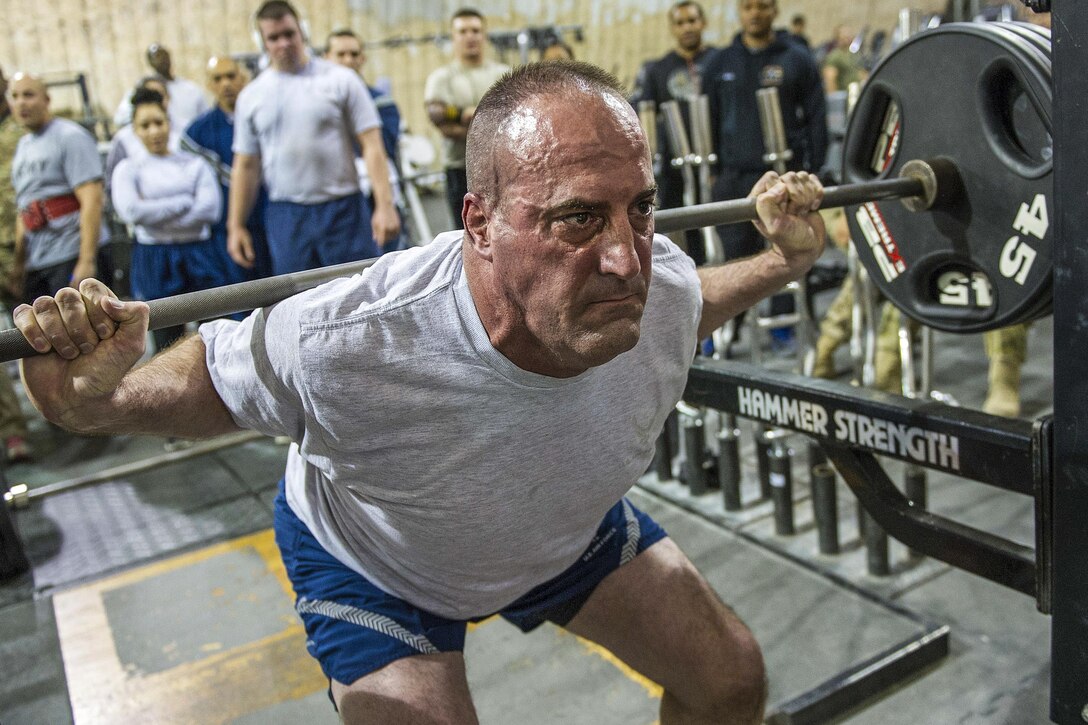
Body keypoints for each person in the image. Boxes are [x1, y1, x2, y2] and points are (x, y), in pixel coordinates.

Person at [15, 61, 826, 724]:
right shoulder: (351, 338)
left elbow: (696, 297)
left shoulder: (660, 289)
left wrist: (781, 264)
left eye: (640, 209)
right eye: (578, 220)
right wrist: (94, 402)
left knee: (729, 683)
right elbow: (212, 381)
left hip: (555, 529)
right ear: (478, 223)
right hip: (378, 566)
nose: (625, 259)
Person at [228, 0, 399, 276]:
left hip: (343, 212)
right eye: (274, 38)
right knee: (295, 305)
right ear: (262, 42)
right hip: (287, 216)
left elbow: (372, 145)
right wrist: (235, 225)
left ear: (302, 32)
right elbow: (246, 165)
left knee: (356, 295)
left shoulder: (341, 80)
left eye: (289, 34)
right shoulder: (252, 96)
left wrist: (384, 205)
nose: (283, 43)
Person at [704, 0, 828, 349]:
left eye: (762, 6)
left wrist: (812, 170)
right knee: (735, 258)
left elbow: (816, 118)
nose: (755, 13)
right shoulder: (720, 63)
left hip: (782, 177)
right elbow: (709, 117)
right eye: (748, 7)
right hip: (734, 178)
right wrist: (714, 172)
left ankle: (783, 329)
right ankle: (725, 330)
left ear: (774, 10)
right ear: (739, 12)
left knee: (788, 250)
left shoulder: (796, 58)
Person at [110, 88, 223, 352]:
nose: (153, 131)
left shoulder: (194, 164)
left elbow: (210, 210)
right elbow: (132, 212)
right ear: (135, 130)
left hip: (200, 253)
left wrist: (156, 217)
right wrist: (183, 203)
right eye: (145, 125)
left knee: (215, 333)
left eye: (158, 123)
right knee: (166, 341)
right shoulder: (128, 170)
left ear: (169, 124)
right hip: (155, 258)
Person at [629, 0, 717, 266]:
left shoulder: (719, 61)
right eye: (680, 23)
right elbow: (641, 113)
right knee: (685, 231)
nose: (687, 28)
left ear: (702, 23)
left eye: (692, 21)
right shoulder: (658, 69)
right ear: (672, 28)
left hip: (715, 162)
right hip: (675, 167)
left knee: (720, 227)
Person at [9, 73, 103, 303]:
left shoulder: (70, 137)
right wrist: (19, 264)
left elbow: (92, 198)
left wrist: (86, 259)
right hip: (39, 260)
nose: (21, 102)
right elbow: (25, 208)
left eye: (29, 95)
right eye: (15, 96)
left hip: (70, 254)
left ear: (46, 100)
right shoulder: (23, 145)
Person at [181, 56, 272, 282]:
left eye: (231, 76)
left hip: (269, 219)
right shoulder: (197, 133)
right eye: (218, 79)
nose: (226, 84)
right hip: (222, 231)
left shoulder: (264, 117)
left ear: (243, 78)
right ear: (209, 85)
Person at [423, 8, 509, 229]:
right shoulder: (443, 78)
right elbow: (438, 117)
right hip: (461, 170)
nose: (470, 36)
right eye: (463, 31)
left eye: (475, 30)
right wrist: (461, 114)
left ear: (484, 34)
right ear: (453, 37)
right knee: (468, 235)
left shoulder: (504, 74)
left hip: (502, 168)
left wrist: (474, 117)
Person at [324, 28, 405, 253]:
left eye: (353, 54)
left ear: (362, 58)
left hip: (376, 194)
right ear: (326, 58)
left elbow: (383, 145)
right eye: (341, 55)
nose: (348, 60)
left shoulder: (382, 102)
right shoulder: (317, 106)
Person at [0, 67, 32, 462]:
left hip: (20, 249)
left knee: (33, 335)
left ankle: (63, 411)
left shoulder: (22, 133)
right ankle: (12, 431)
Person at [113, 43, 210, 131]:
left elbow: (206, 118)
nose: (160, 60)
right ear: (150, 62)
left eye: (162, 55)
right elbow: (120, 118)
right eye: (155, 57)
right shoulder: (142, 89)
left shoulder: (190, 89)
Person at [821, 25, 867, 94]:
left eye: (849, 34)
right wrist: (835, 99)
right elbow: (830, 79)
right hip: (844, 96)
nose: (848, 36)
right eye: (844, 34)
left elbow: (862, 72)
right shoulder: (835, 56)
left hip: (857, 94)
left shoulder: (854, 54)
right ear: (838, 37)